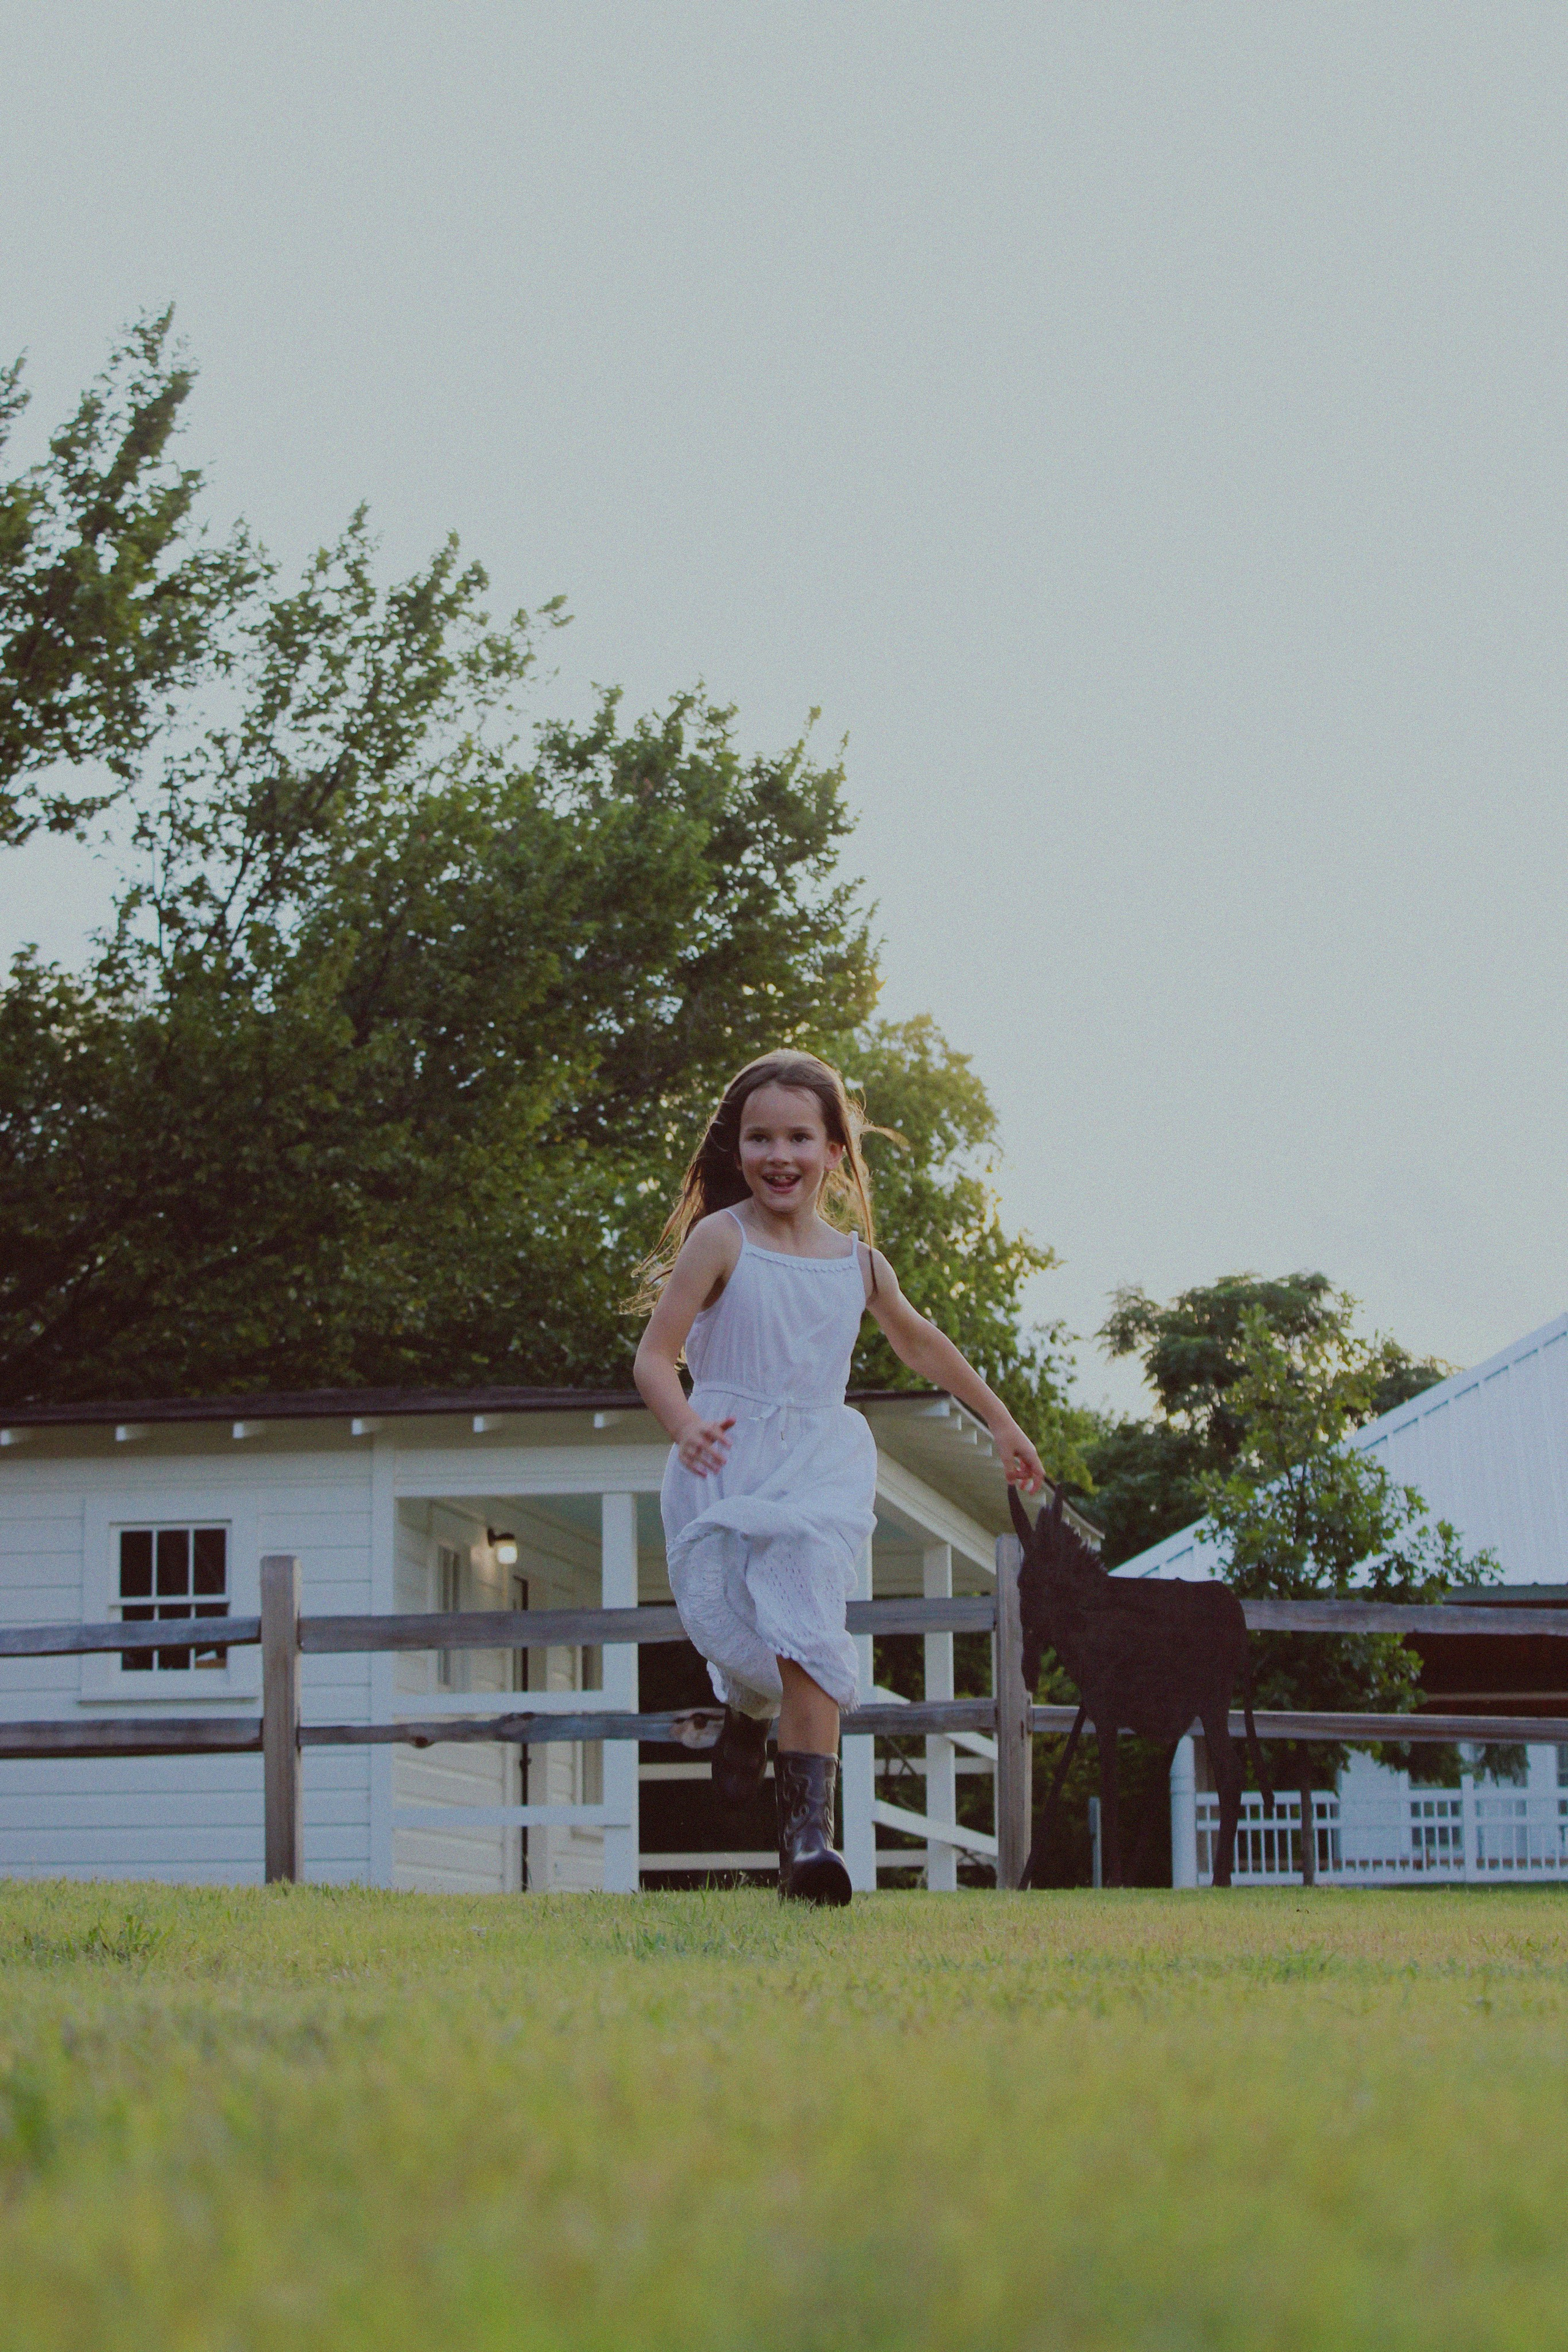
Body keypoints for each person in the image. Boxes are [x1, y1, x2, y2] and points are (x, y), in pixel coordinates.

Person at [633, 1049, 1046, 1905]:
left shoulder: (858, 1263)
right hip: (727, 1460)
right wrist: (686, 1425)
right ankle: (746, 1721)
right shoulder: (723, 1239)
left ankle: (808, 1845)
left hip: (818, 1467)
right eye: (759, 1138)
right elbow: (655, 1355)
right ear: (736, 1147)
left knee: (811, 1631)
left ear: (832, 1151)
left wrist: (1002, 1421)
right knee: (751, 1645)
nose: (778, 1155)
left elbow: (923, 1342)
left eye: (798, 1137)